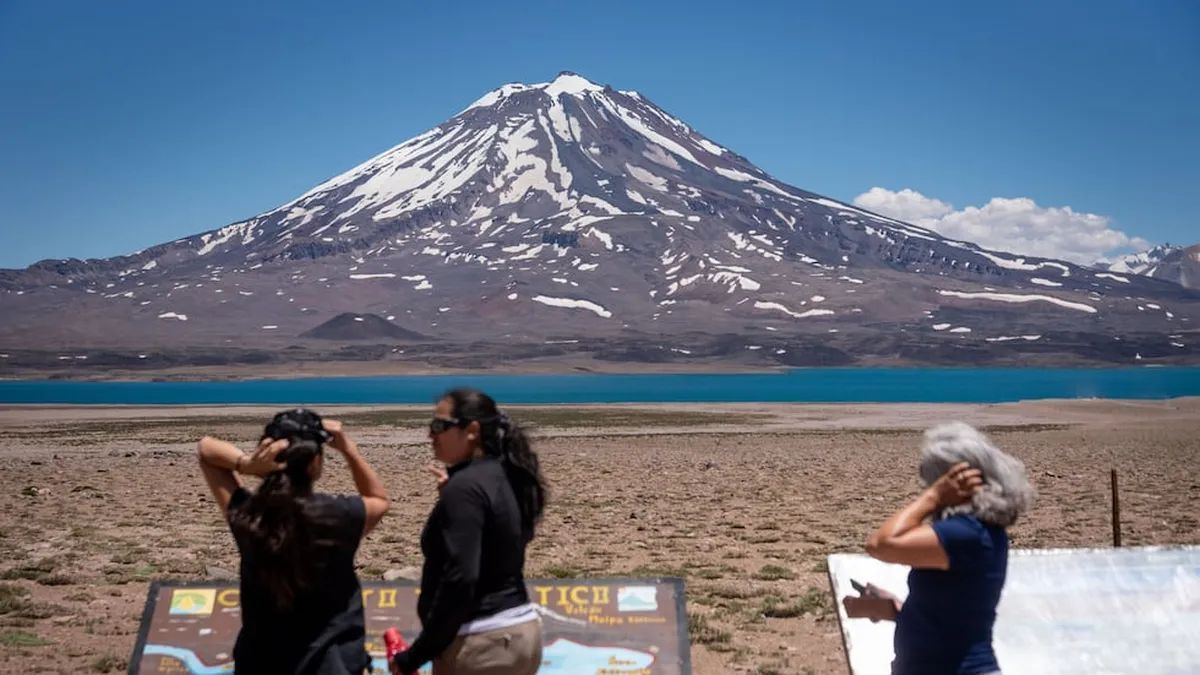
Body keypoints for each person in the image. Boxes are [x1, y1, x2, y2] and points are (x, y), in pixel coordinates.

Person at [197, 408, 389, 674]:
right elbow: (379, 500)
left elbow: (206, 450)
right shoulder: (338, 515)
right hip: (332, 664)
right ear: (314, 463)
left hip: (262, 663)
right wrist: (349, 449)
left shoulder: (249, 516)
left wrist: (247, 464)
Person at [843, 422, 1034, 675]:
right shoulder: (975, 532)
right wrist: (897, 608)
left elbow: (881, 544)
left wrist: (934, 497)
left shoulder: (967, 534)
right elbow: (954, 615)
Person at [392, 388, 547, 675]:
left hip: (480, 643)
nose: (431, 435)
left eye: (440, 426)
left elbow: (461, 578)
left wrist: (416, 654)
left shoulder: (466, 488)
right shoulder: (507, 476)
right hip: (520, 633)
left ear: (472, 430)